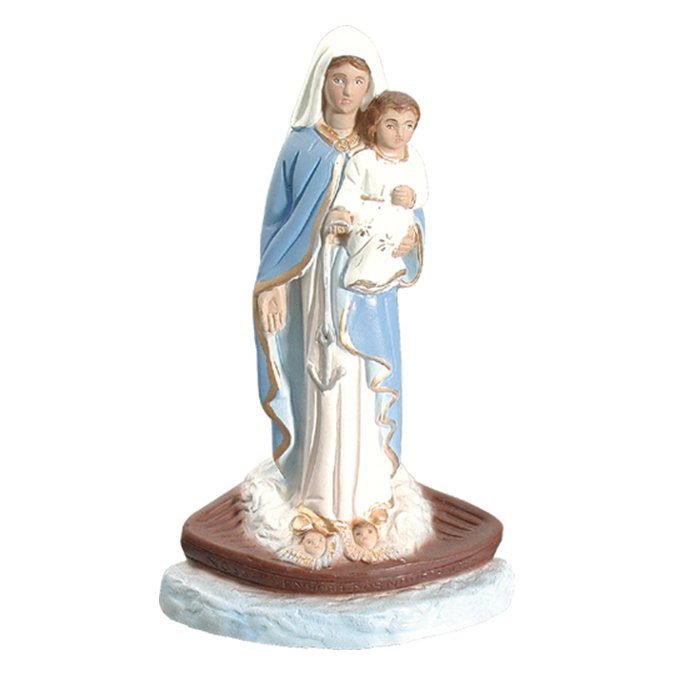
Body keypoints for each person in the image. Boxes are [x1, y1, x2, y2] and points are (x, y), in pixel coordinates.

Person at [252, 27, 425, 536]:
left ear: (371, 88)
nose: (347, 90)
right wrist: (271, 284)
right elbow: (278, 224)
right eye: (338, 78)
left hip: (366, 290)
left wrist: (412, 235)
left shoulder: (385, 147)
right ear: (321, 82)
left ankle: (369, 494)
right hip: (313, 288)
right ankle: (314, 497)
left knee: (362, 381)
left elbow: (413, 202)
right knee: (320, 379)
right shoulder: (301, 146)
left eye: (357, 81)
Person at [328, 91, 427, 293]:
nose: (400, 133)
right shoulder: (363, 159)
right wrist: (342, 211)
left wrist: (412, 197)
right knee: (370, 232)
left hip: (399, 216)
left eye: (408, 125)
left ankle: (391, 270)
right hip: (368, 215)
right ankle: (363, 275)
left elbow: (422, 191)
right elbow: (350, 188)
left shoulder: (413, 159)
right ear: (375, 126)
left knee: (391, 232)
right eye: (391, 125)